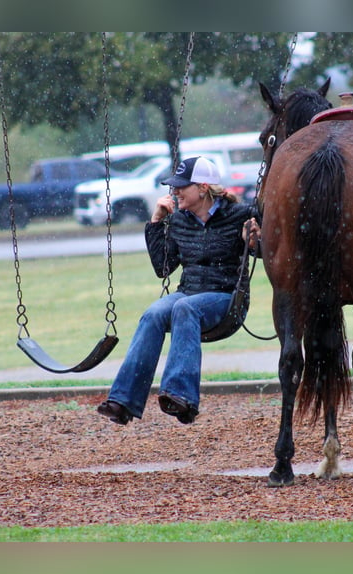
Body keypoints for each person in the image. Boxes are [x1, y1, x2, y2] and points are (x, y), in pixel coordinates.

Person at [97, 156, 261, 426]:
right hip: (188, 292)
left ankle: (181, 397)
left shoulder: (241, 215)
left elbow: (267, 253)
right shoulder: (179, 220)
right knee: (153, 313)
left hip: (226, 298)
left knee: (185, 308)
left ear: (203, 187)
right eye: (174, 187)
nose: (175, 191)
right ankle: (123, 401)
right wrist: (155, 222)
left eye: (181, 187)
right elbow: (163, 268)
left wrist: (254, 241)